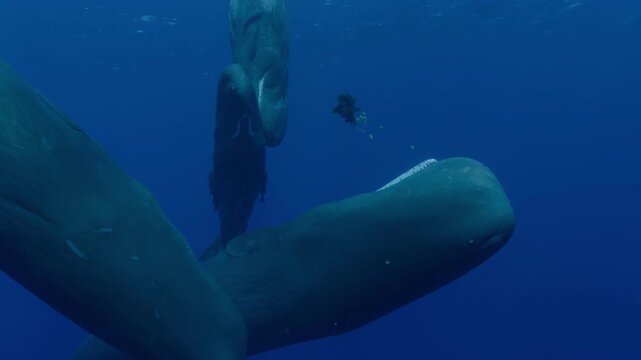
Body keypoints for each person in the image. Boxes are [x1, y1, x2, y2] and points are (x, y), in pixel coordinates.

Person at [207, 0, 290, 257]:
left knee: (267, 125)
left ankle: (230, 238)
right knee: (267, 126)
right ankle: (232, 238)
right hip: (244, 155)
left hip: (241, 155)